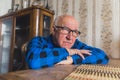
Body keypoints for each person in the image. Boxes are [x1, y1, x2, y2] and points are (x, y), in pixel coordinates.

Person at [26, 14, 109, 69]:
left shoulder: (76, 44)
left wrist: (72, 59)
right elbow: (34, 61)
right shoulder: (39, 41)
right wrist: (69, 51)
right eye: (65, 30)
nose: (70, 37)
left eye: (74, 32)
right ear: (54, 30)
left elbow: (102, 56)